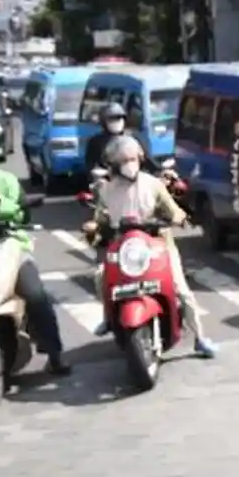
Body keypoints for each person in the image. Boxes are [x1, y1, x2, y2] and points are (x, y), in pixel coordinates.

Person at [83, 135, 218, 358]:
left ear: (140, 158)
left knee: (181, 290)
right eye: (124, 160)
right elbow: (101, 218)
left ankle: (200, 338)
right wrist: (94, 227)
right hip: (124, 248)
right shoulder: (107, 190)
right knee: (100, 277)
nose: (129, 164)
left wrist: (180, 219)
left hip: (157, 244)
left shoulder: (153, 184)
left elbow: (173, 211)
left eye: (132, 158)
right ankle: (109, 318)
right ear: (114, 165)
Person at [0, 132, 70, 375]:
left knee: (35, 294)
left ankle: (55, 353)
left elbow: (19, 213)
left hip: (9, 246)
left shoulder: (5, 181)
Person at [83, 102, 156, 174]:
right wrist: (98, 173)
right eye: (112, 120)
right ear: (104, 122)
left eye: (119, 119)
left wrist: (159, 171)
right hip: (109, 179)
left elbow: (148, 160)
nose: (117, 122)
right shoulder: (96, 141)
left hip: (135, 177)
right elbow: (90, 165)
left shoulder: (134, 136)